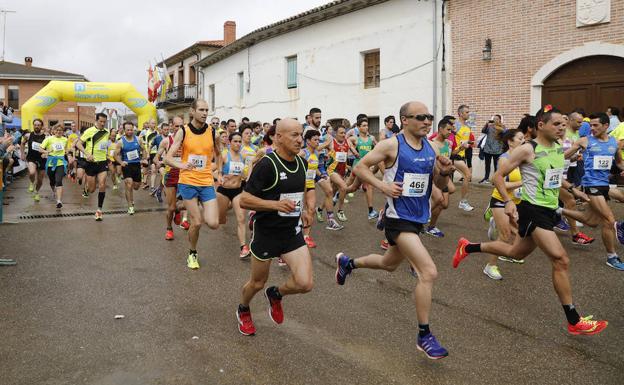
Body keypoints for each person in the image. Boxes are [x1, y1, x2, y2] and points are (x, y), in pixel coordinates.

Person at [453, 105, 608, 336]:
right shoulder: (527, 149)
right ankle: (574, 319)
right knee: (561, 259)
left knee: (516, 252)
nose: (562, 128)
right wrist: (507, 201)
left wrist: (574, 191)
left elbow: (554, 175)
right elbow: (497, 176)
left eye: (564, 124)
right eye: (557, 124)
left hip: (548, 210)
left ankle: (469, 247)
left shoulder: (557, 147)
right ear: (540, 126)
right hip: (532, 210)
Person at [335, 101, 454, 359]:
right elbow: (360, 167)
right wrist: (382, 186)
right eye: (420, 117)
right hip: (397, 217)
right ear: (404, 120)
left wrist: (445, 172)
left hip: (417, 218)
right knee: (428, 271)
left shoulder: (432, 147)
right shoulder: (391, 145)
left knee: (388, 264)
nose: (426, 121)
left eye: (429, 116)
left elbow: (440, 183)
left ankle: (347, 263)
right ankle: (424, 335)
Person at [236, 118, 314, 336]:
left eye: (301, 135)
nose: (300, 140)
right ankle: (243, 308)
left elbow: (304, 190)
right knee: (257, 282)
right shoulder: (267, 165)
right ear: (278, 137)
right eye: (294, 135)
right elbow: (244, 200)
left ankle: (276, 294)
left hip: (291, 233)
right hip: (267, 233)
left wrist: (307, 211)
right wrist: (274, 205)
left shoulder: (302, 163)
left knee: (305, 283)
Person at [564, 113, 624, 270]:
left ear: (606, 126)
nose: (592, 128)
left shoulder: (614, 143)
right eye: (591, 125)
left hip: (604, 184)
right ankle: (612, 256)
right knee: (609, 220)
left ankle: (557, 210)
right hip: (591, 184)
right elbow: (564, 156)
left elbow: (618, 162)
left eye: (596, 125)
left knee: (590, 220)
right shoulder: (585, 141)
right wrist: (572, 156)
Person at [165, 100, 220, 269]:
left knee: (213, 223)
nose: (204, 113)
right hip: (188, 181)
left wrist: (216, 167)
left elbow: (219, 154)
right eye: (201, 110)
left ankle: (180, 206)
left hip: (206, 181)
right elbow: (168, 157)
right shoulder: (183, 131)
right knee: (197, 222)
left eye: (207, 110)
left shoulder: (213, 132)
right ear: (192, 111)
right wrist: (181, 165)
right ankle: (192, 253)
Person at [481, 129, 525, 279]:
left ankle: (506, 251)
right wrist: (522, 182)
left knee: (519, 232)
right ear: (510, 141)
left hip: (517, 202)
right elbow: (499, 184)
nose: (523, 141)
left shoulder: (523, 159)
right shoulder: (504, 159)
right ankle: (490, 266)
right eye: (520, 138)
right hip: (501, 200)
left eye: (523, 138)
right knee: (505, 235)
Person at [216, 131, 250, 257]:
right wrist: (220, 177)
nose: (238, 144)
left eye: (239, 141)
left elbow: (245, 174)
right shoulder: (224, 156)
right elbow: (217, 172)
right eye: (235, 141)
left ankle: (243, 247)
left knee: (241, 219)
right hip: (224, 191)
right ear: (229, 142)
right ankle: (221, 215)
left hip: (237, 190)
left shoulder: (243, 157)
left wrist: (244, 175)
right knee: (220, 219)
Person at [157, 117, 188, 238]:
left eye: (181, 126)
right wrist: (159, 165)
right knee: (171, 206)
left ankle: (178, 211)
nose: (179, 129)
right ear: (171, 126)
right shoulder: (166, 141)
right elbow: (157, 157)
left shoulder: (187, 141)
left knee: (187, 202)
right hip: (170, 174)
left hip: (184, 174)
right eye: (176, 126)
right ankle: (169, 229)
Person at [426, 118, 456, 237]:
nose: (450, 132)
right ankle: (426, 220)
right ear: (440, 129)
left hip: (444, 176)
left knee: (445, 204)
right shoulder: (431, 143)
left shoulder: (448, 144)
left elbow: (450, 156)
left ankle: (430, 224)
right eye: (448, 129)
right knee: (439, 200)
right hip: (434, 177)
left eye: (451, 130)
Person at [114, 121, 147, 215]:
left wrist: (144, 159)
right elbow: (115, 154)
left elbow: (144, 149)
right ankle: (130, 206)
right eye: (128, 130)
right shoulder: (121, 141)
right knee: (129, 184)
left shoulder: (138, 139)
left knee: (136, 186)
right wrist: (121, 162)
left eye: (131, 130)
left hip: (137, 165)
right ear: (124, 130)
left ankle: (130, 195)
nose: (130, 131)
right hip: (127, 165)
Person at [38, 123, 68, 208]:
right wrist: (46, 152)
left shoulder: (65, 140)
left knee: (59, 180)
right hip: (51, 162)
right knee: (52, 180)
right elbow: (40, 149)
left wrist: (69, 153)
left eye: (60, 130)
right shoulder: (49, 139)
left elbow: (66, 150)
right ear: (54, 131)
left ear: (63, 131)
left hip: (61, 162)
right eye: (57, 130)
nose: (59, 132)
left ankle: (59, 201)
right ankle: (54, 190)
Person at [453, 105, 474, 211]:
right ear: (460, 113)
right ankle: (463, 202)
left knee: (443, 185)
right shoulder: (456, 125)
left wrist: (470, 143)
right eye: (466, 112)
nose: (468, 114)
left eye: (468, 112)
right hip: (454, 155)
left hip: (462, 156)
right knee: (467, 175)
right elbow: (448, 136)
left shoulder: (467, 126)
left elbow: (463, 139)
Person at [22, 119, 46, 202]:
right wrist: (22, 154)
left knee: (40, 180)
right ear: (33, 125)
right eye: (35, 125)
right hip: (31, 158)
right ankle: (32, 183)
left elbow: (49, 147)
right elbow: (22, 143)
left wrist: (46, 153)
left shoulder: (46, 136)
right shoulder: (28, 135)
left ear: (41, 126)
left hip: (42, 159)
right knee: (32, 172)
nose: (36, 126)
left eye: (38, 125)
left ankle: (36, 192)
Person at [479, 116, 504, 183]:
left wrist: (498, 127)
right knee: (487, 165)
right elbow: (483, 131)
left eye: (496, 119)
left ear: (499, 120)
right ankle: (486, 178)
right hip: (488, 149)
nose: (495, 120)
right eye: (494, 119)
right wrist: (486, 124)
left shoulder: (502, 127)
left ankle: (495, 180)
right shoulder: (489, 126)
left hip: (497, 150)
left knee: (496, 166)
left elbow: (504, 132)